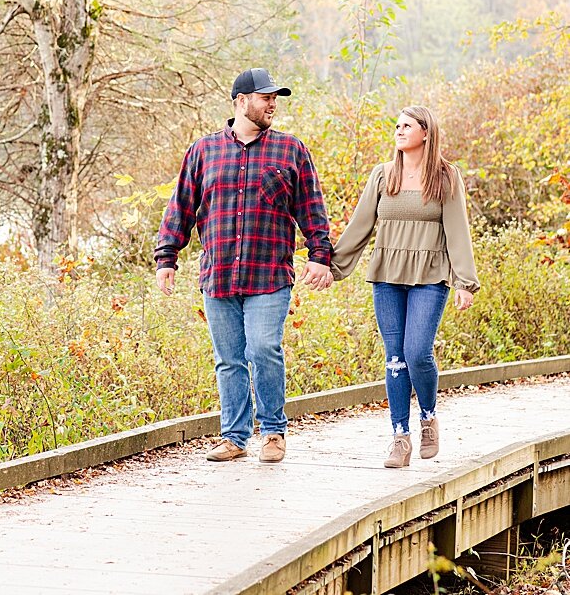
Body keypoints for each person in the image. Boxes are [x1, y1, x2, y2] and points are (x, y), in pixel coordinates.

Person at [154, 68, 335, 465]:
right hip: (218, 274)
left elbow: (312, 209)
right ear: (240, 101)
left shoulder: (291, 151)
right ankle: (235, 437)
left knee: (263, 349)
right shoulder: (203, 151)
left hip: (269, 273)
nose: (273, 104)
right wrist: (167, 256)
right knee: (229, 359)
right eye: (265, 97)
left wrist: (320, 255)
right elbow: (181, 206)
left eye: (276, 98)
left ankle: (273, 432)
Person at [331, 105, 478, 469]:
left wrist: (464, 281)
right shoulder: (383, 176)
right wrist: (330, 265)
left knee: (417, 352)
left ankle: (428, 417)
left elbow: (458, 230)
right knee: (394, 357)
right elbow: (360, 226)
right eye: (396, 125)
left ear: (426, 132)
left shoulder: (446, 176)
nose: (398, 131)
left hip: (429, 275)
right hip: (387, 276)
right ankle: (400, 437)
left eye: (407, 126)